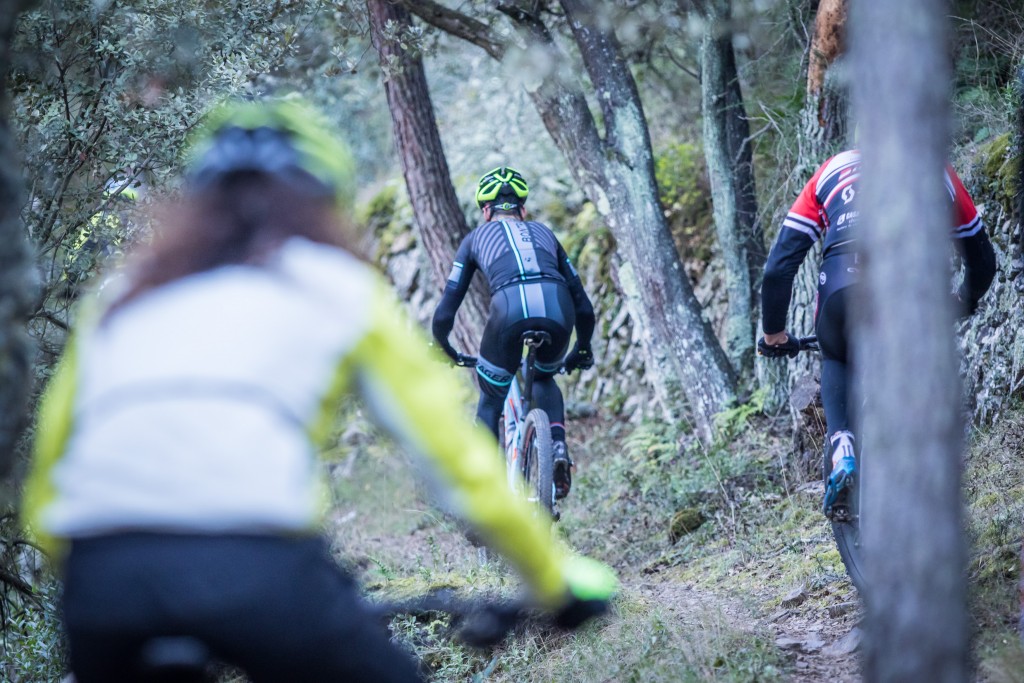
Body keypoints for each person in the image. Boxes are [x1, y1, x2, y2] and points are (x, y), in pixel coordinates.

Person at [21, 100, 617, 683]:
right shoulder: (336, 287)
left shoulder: (122, 296)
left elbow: (50, 468)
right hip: (253, 562)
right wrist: (551, 578)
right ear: (319, 200)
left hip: (101, 585)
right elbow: (453, 457)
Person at [758, 147, 995, 516]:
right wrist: (964, 299)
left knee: (836, 353)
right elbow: (981, 257)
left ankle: (843, 450)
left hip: (840, 283)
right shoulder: (929, 159)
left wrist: (774, 333)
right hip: (904, 284)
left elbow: (778, 269)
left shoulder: (831, 171)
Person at [431, 167, 596, 500]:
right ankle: (559, 448)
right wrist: (582, 347)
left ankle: (485, 493)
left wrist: (444, 347)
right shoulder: (544, 233)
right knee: (544, 380)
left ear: (486, 211)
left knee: (491, 398)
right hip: (558, 307)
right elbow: (583, 304)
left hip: (508, 310)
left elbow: (446, 310)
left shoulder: (476, 238)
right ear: (522, 210)